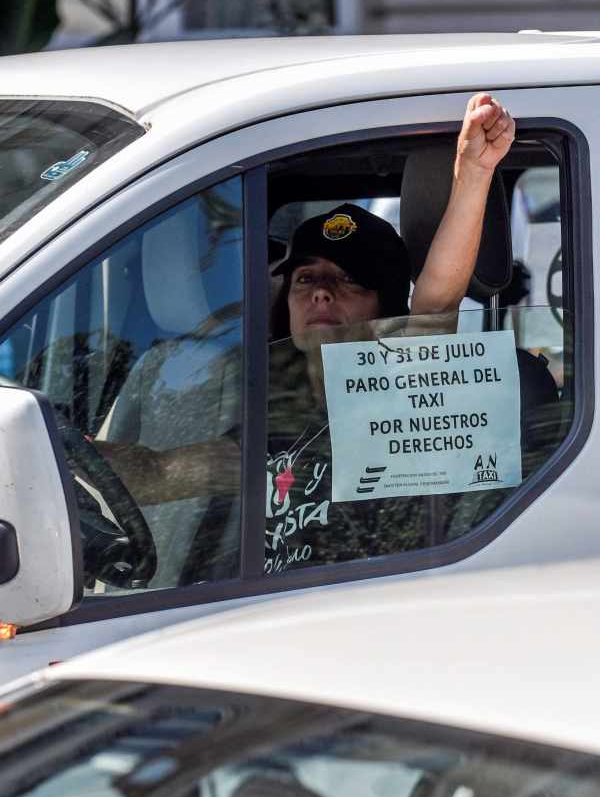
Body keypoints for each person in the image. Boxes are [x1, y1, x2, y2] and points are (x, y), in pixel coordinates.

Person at [93, 93, 515, 582]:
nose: (321, 294)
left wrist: (473, 174)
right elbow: (159, 473)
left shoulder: (406, 395)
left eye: (349, 280)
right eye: (305, 279)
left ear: (388, 306)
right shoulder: (272, 416)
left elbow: (437, 305)